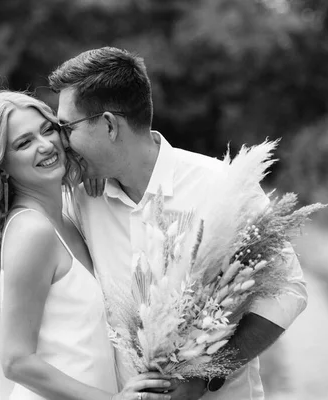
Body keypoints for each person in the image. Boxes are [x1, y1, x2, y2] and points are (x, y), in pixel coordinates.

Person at [48, 47, 308, 400]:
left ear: (109, 125)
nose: (60, 141)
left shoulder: (222, 185)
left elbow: (288, 290)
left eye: (66, 127)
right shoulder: (78, 201)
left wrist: (204, 378)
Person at [0, 91, 173, 400]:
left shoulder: (70, 215)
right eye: (23, 143)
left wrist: (95, 168)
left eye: (48, 130)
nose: (45, 145)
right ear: (1, 164)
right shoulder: (33, 231)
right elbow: (16, 361)